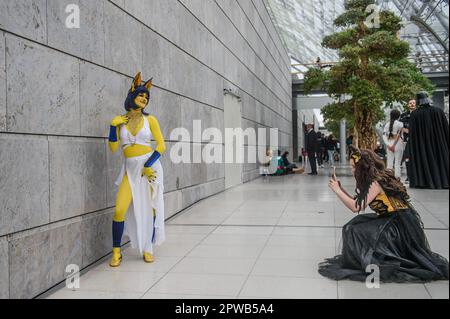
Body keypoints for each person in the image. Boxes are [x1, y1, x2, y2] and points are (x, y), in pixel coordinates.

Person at [319, 147, 449, 282]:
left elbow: (355, 207)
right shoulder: (374, 179)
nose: (352, 170)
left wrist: (337, 191)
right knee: (355, 225)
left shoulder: (375, 183)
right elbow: (357, 203)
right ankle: (367, 260)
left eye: (353, 167)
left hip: (398, 224)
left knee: (354, 229)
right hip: (393, 218)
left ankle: (371, 262)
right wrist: (340, 189)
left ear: (363, 168)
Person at [108, 72, 166, 267]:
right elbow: (114, 148)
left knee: (151, 209)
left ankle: (148, 247)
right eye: (141, 95)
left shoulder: (151, 120)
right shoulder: (120, 121)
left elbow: (161, 146)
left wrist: (149, 165)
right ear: (132, 95)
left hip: (148, 168)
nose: (144, 99)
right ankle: (116, 252)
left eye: (147, 97)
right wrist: (112, 126)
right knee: (119, 210)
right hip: (129, 170)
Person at [408, 92, 449, 189]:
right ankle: (443, 181)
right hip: (438, 143)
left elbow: (412, 133)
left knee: (424, 160)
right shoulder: (439, 111)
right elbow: (446, 129)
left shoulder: (414, 114)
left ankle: (424, 182)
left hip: (422, 144)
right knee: (440, 160)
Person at [399, 99, 417, 184]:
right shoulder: (403, 115)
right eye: (410, 103)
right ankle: (409, 177)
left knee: (418, 158)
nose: (412, 104)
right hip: (407, 140)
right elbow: (399, 126)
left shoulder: (419, 114)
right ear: (408, 105)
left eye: (413, 103)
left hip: (419, 140)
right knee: (408, 158)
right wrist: (406, 131)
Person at [383, 109, 404, 178]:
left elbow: (384, 135)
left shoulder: (387, 124)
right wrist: (394, 145)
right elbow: (401, 135)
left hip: (389, 143)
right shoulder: (400, 124)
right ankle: (397, 177)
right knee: (397, 163)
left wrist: (388, 145)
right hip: (398, 144)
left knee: (389, 163)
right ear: (398, 116)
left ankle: (388, 178)